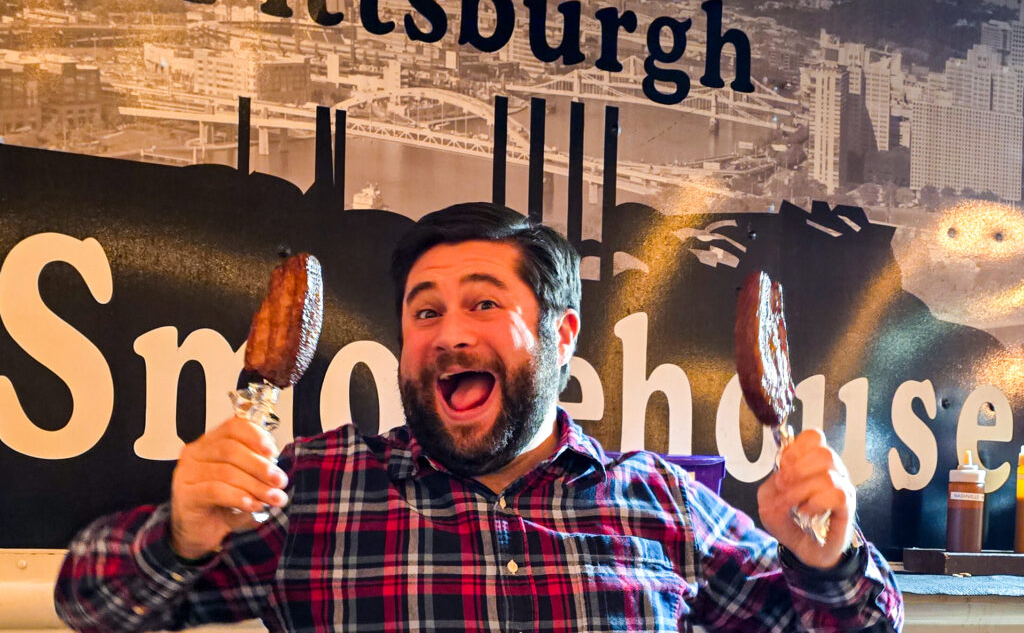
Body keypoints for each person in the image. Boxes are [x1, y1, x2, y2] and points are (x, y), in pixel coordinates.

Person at [55, 202, 904, 632]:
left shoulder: (662, 503)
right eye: (424, 313)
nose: (449, 334)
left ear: (561, 333)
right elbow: (89, 603)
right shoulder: (312, 491)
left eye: (483, 303)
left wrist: (828, 560)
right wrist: (178, 534)